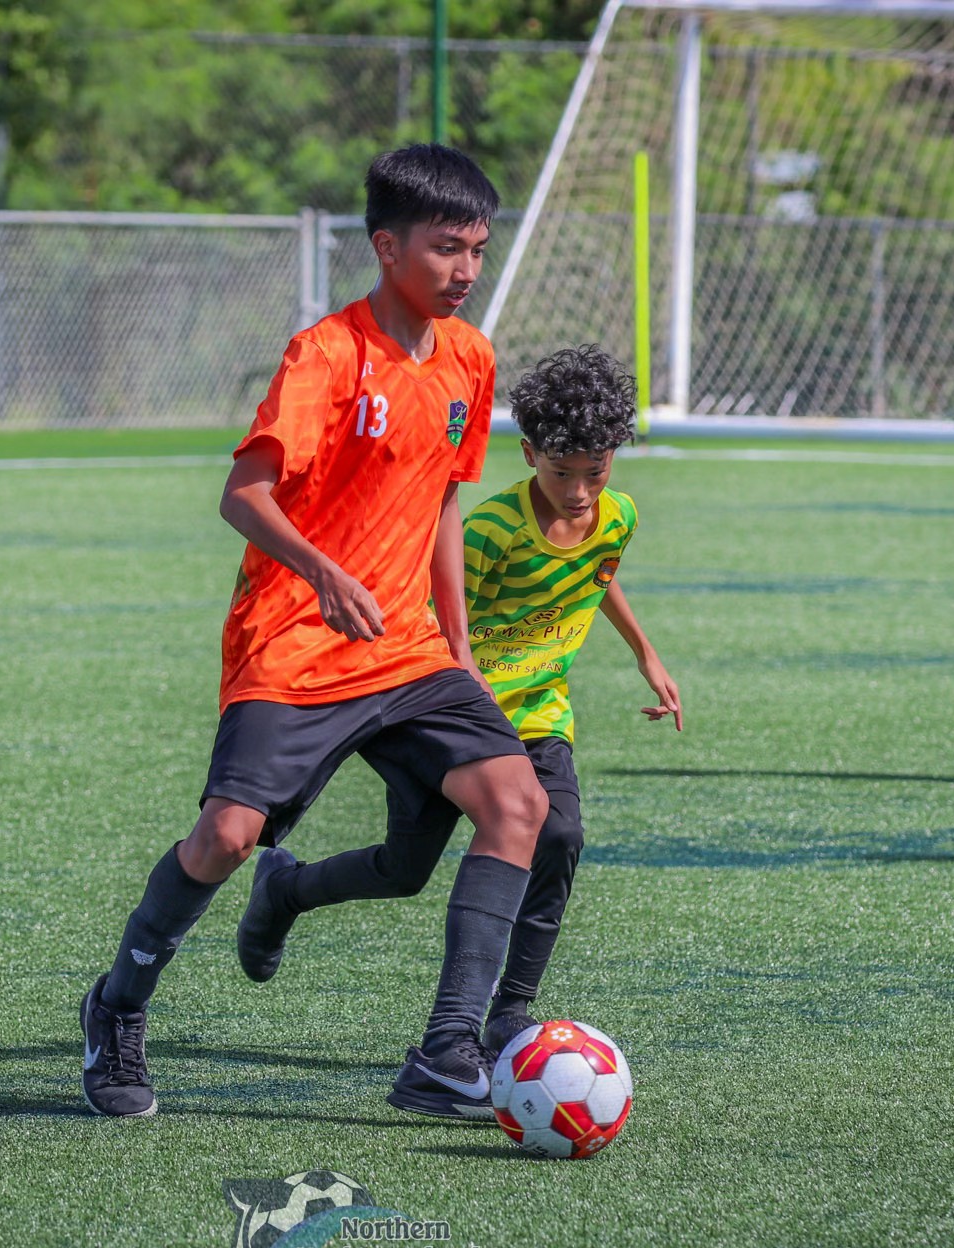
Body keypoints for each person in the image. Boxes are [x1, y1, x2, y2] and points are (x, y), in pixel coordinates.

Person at [80, 144, 548, 1119]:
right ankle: (117, 1009)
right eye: (444, 249)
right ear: (386, 246)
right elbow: (240, 495)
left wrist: (459, 654)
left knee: (518, 805)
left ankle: (445, 1054)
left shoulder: (469, 357)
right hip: (294, 635)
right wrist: (322, 571)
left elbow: (443, 509)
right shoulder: (325, 355)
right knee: (225, 836)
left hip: (408, 651)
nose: (464, 269)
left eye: (475, 250)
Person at [234, 345, 682, 1118]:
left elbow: (598, 576)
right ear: (529, 453)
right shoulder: (489, 531)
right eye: (562, 472)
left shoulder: (619, 516)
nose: (579, 492)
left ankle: (509, 1013)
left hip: (538, 715)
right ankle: (287, 887)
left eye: (596, 471)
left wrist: (646, 654)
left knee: (561, 831)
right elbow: (433, 616)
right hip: (451, 716)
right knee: (406, 868)